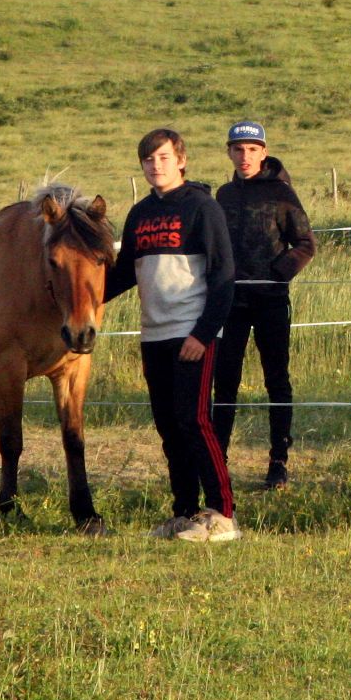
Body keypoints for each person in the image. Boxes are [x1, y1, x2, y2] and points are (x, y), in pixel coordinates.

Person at [106, 128, 241, 542]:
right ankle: (184, 513)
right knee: (168, 426)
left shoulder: (203, 207)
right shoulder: (139, 213)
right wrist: (80, 297)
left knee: (196, 421)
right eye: (148, 159)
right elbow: (125, 272)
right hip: (154, 335)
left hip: (191, 334)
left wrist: (202, 334)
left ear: (181, 160)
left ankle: (222, 516)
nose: (155, 166)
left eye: (163, 158)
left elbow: (223, 277)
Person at [212, 119, 317, 491]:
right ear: (229, 152)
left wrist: (279, 274)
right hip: (230, 302)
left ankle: (278, 462)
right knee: (224, 383)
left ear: (264, 152)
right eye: (238, 149)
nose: (245, 156)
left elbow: (305, 244)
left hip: (271, 300)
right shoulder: (222, 195)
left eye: (252, 149)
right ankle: (217, 460)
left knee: (277, 380)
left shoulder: (282, 194)